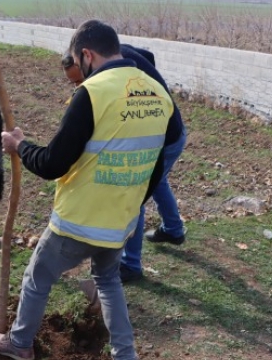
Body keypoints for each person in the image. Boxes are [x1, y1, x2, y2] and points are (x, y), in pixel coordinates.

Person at [0, 20, 173, 360]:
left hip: (80, 218)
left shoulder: (93, 92)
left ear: (86, 54)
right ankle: (125, 354)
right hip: (121, 220)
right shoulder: (158, 92)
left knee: (37, 275)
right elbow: (160, 160)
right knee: (107, 280)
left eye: (77, 61)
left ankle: (19, 344)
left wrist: (19, 145)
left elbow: (53, 163)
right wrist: (134, 201)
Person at [62, 43, 187, 284]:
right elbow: (149, 55)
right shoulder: (121, 53)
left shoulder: (117, 72)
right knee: (156, 181)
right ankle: (173, 230)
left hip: (166, 135)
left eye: (79, 80)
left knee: (134, 192)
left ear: (86, 58)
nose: (79, 86)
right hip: (168, 129)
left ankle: (131, 264)